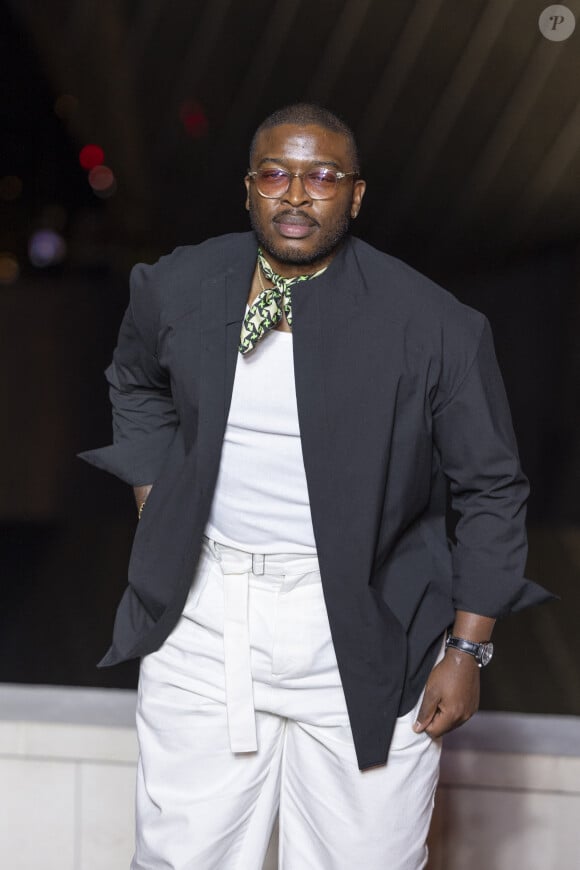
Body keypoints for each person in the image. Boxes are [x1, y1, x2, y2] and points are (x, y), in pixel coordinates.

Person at [80, 103, 552, 870]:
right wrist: (154, 492)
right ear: (248, 189)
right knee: (180, 858)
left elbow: (492, 490)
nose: (296, 194)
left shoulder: (433, 324)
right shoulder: (179, 285)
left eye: (322, 176)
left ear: (356, 196)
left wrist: (469, 648)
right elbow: (134, 381)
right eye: (275, 173)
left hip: (372, 623)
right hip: (204, 616)